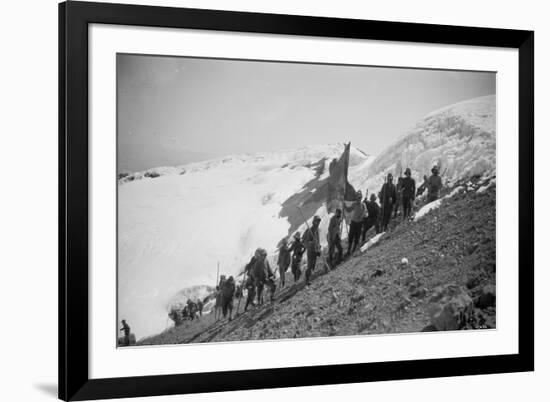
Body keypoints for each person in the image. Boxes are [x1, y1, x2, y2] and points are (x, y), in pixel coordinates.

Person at [302, 215, 321, 285]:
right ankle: (307, 280)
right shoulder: (310, 231)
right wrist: (312, 242)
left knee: (313, 265)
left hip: (315, 251)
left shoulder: (317, 230)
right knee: (310, 266)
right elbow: (306, 242)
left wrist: (319, 249)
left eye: (319, 221)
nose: (318, 222)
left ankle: (310, 277)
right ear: (314, 222)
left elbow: (318, 241)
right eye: (317, 221)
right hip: (310, 251)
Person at [345, 191, 366, 255]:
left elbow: (366, 212)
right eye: (358, 197)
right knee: (351, 236)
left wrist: (363, 216)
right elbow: (349, 210)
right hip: (353, 222)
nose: (359, 199)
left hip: (359, 223)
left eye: (360, 197)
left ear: (361, 198)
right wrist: (345, 206)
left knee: (357, 236)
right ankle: (349, 250)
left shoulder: (363, 205)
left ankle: (353, 250)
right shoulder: (354, 204)